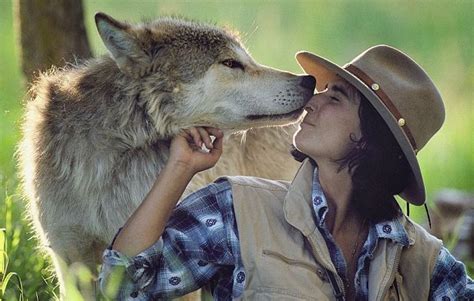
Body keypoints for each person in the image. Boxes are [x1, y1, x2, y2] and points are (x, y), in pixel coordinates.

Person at [98, 45, 474, 300]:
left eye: (335, 98)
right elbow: (121, 286)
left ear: (368, 138)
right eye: (323, 91)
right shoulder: (236, 209)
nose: (311, 100)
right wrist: (179, 167)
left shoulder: (420, 256)